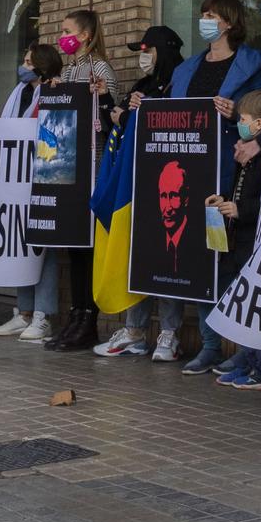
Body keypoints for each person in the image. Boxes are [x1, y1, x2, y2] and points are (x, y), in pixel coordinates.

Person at [97, 0, 261, 361]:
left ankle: (239, 348)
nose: (204, 20)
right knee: (195, 256)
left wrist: (237, 112)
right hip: (188, 172)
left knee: (221, 257)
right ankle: (208, 345)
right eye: (203, 14)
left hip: (228, 171)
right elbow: (169, 113)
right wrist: (143, 107)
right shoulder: (187, 68)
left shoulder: (253, 64)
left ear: (230, 23)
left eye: (212, 15)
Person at [97, 26, 186, 359]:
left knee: (167, 256)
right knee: (136, 256)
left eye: (148, 49)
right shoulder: (143, 84)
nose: (143, 57)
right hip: (134, 185)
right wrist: (120, 109)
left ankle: (169, 333)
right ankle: (134, 330)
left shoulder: (182, 79)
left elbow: (181, 119)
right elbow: (118, 124)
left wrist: (149, 108)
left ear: (163, 50)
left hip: (169, 183)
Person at [0, 42, 66, 343]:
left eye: (27, 61)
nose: (22, 65)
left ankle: (42, 315)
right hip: (16, 181)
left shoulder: (53, 92)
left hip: (42, 178)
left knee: (41, 248)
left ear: (43, 65)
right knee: (21, 245)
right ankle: (23, 312)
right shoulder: (20, 93)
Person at [53, 9, 115, 347]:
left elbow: (109, 117)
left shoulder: (99, 67)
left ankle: (88, 318)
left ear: (86, 35)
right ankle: (76, 313)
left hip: (91, 166)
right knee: (74, 246)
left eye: (67, 31)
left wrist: (102, 94)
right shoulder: (66, 70)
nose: (63, 36)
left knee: (87, 246)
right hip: (66, 164)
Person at [213, 90, 261, 389]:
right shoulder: (246, 155)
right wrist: (223, 201)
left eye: (244, 119)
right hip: (240, 240)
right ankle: (250, 361)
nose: (239, 124)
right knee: (245, 306)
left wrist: (240, 209)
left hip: (256, 239)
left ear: (260, 125)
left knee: (258, 308)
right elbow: (238, 190)